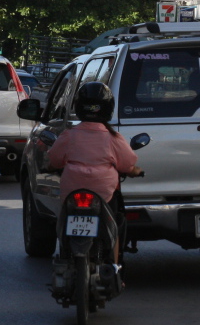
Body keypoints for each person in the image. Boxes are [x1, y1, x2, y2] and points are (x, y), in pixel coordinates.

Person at [46, 82, 142, 264]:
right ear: (108, 108)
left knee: (63, 219)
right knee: (114, 226)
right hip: (104, 193)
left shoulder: (69, 135)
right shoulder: (113, 137)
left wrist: (50, 167)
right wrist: (136, 171)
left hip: (72, 192)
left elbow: (54, 160)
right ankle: (114, 266)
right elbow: (128, 164)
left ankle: (65, 255)